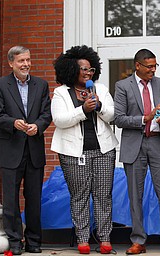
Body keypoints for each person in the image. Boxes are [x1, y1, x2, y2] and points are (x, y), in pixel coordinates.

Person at [51, 45, 118, 254]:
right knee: (79, 195)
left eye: (90, 69)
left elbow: (113, 116)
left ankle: (105, 239)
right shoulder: (61, 93)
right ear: (71, 69)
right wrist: (82, 110)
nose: (88, 73)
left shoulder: (101, 89)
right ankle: (82, 239)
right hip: (74, 153)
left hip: (104, 150)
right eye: (83, 69)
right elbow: (59, 120)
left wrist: (99, 107)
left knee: (103, 195)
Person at [114, 49, 160, 255]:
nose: (153, 70)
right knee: (135, 196)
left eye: (155, 66)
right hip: (135, 145)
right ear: (138, 66)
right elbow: (119, 118)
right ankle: (138, 240)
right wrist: (146, 118)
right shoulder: (122, 86)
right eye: (149, 66)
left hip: (158, 143)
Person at [0, 46, 52, 255]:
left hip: (34, 148)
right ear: (11, 63)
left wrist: (38, 126)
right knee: (10, 200)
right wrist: (13, 122)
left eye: (28, 60)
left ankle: (34, 242)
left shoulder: (41, 85)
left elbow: (46, 113)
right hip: (11, 150)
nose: (26, 64)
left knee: (34, 198)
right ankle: (15, 242)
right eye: (21, 61)